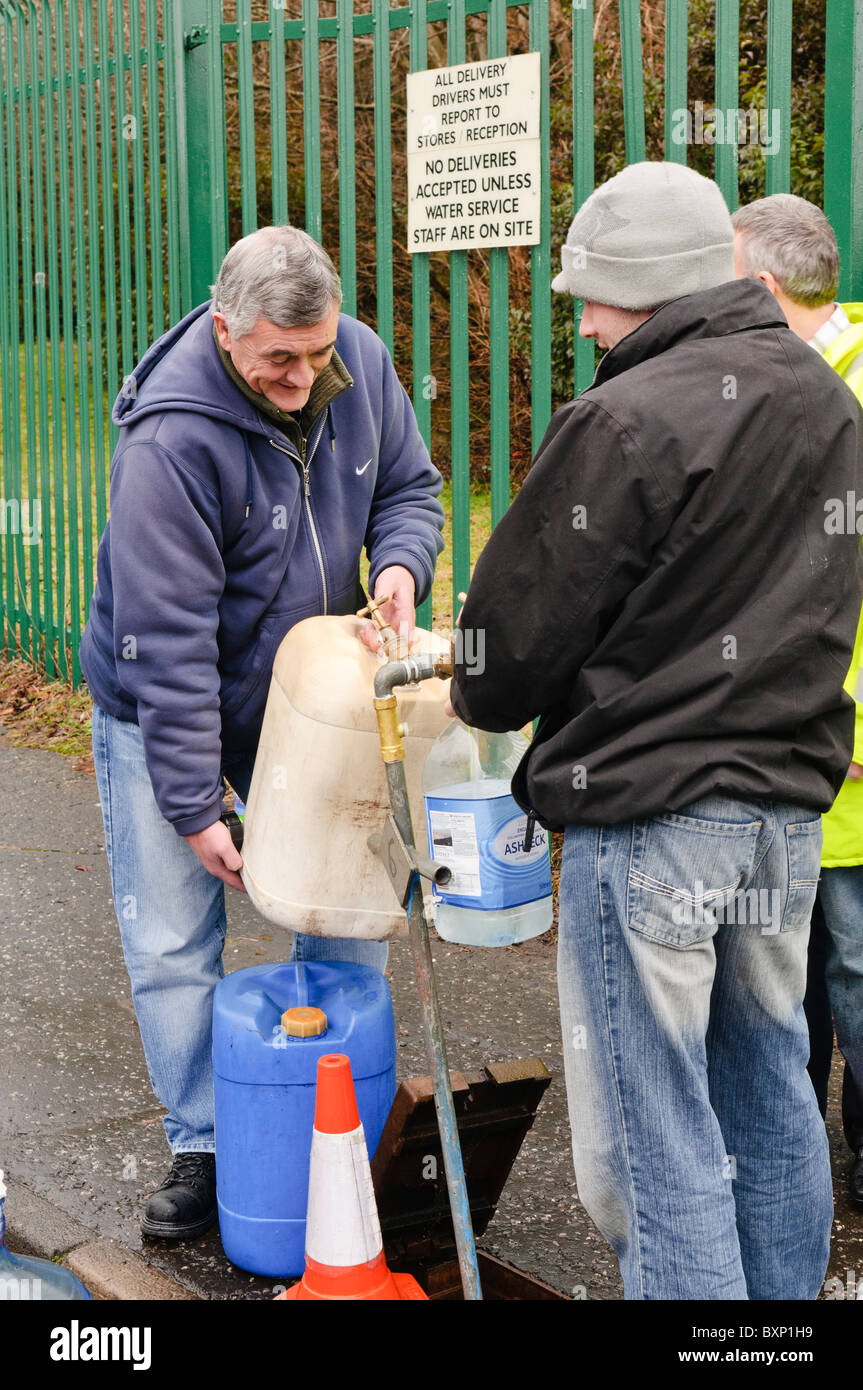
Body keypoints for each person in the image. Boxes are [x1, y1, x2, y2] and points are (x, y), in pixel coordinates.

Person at [446, 161, 863, 1299]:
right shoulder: (824, 400)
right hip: (784, 813)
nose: (580, 322)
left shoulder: (625, 415)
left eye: (591, 296)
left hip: (650, 816)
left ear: (643, 287)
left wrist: (477, 697)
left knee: (656, 1127)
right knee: (772, 1087)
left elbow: (512, 633)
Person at [79, 225, 445, 1239]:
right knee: (172, 934)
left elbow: (410, 490)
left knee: (343, 914)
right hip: (170, 694)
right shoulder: (170, 442)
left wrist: (399, 567)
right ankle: (206, 1146)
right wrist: (198, 804)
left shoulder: (358, 362)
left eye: (316, 351)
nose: (302, 376)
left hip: (315, 701)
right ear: (223, 324)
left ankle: (338, 1134)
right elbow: (167, 645)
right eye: (278, 358)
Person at [732, 192, 863, 1210]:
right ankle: (801, 1172)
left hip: (847, 753)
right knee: (790, 975)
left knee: (854, 971)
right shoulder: (757, 385)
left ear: (761, 286)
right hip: (774, 752)